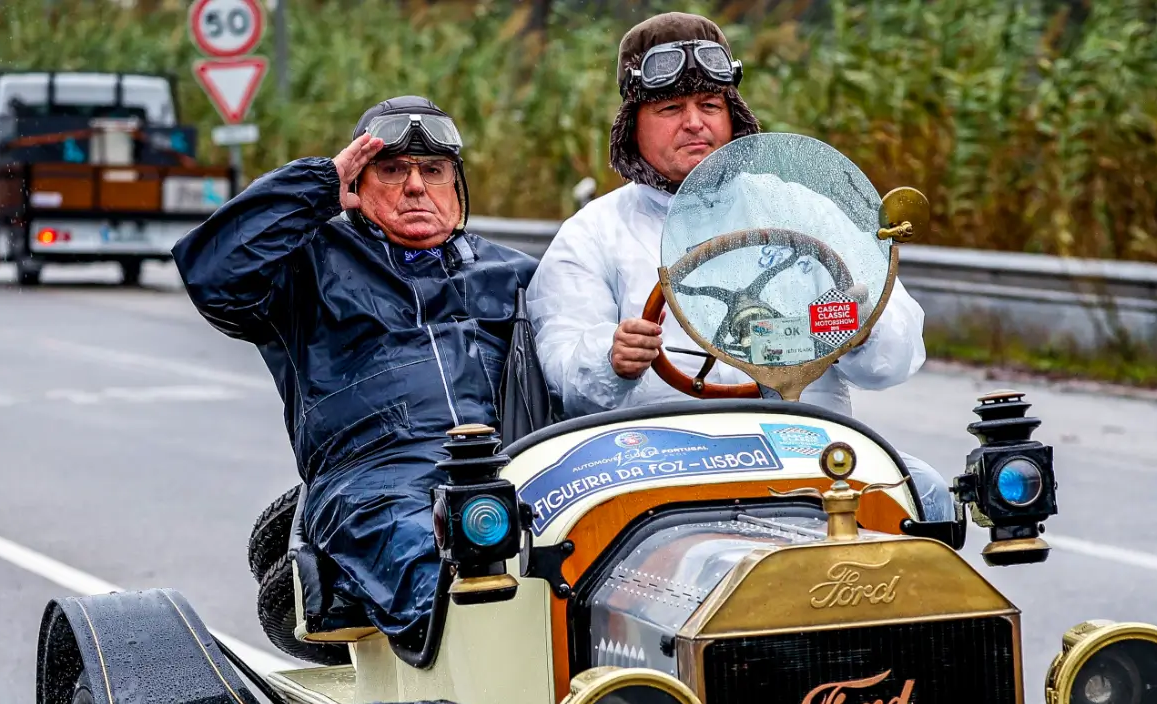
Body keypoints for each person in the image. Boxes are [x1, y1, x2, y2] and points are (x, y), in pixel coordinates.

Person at [525, 13, 948, 519]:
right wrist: (610, 358)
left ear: (733, 115)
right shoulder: (592, 233)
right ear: (632, 123)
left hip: (809, 454)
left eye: (709, 105)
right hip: (659, 471)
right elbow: (562, 370)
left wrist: (863, 328)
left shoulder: (803, 208)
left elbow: (896, 358)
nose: (695, 123)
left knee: (928, 495)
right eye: (670, 108)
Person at [174, 97, 536, 645]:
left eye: (433, 170)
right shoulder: (307, 266)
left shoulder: (516, 272)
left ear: (455, 185)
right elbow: (213, 273)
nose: (416, 186)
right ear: (358, 185)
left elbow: (586, 369)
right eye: (392, 170)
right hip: (374, 480)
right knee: (445, 576)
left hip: (514, 467)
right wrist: (318, 185)